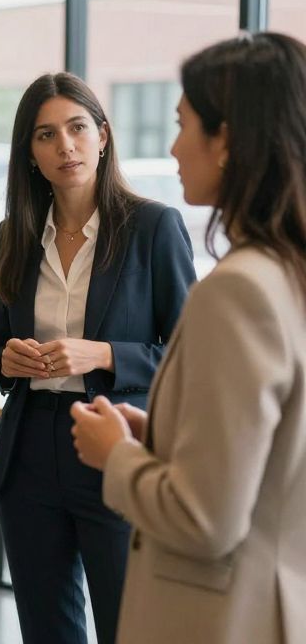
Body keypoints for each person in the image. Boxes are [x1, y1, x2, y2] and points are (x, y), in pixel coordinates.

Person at [71, 32, 306, 644]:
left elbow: (206, 520)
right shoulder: (291, 274)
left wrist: (114, 453)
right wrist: (168, 437)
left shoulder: (240, 292)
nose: (173, 148)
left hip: (224, 615)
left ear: (226, 138)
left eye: (182, 124)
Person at [0, 72, 196, 644]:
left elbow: (185, 358)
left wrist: (100, 353)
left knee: (130, 623)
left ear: (102, 135)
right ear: (29, 153)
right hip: (29, 450)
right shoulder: (15, 236)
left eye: (77, 128)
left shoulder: (153, 227)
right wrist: (10, 361)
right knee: (45, 628)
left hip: (113, 443)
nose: (65, 147)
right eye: (45, 135)